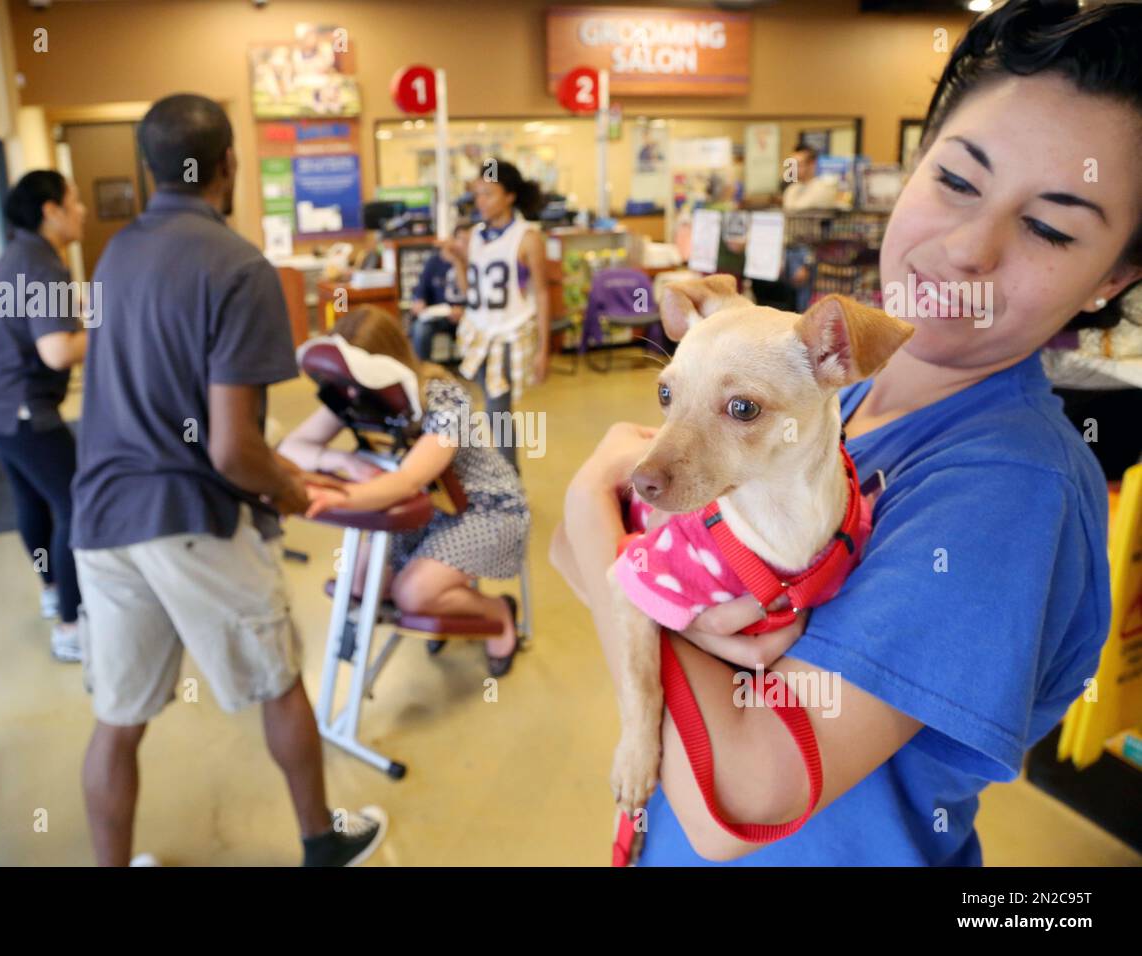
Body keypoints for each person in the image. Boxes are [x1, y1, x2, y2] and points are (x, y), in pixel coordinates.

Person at [551, 0, 1142, 865]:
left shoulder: (1010, 486)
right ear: (912, 166)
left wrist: (591, 524)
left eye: (1051, 226)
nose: (970, 249)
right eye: (956, 180)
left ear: (1113, 278)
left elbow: (741, 799)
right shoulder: (830, 395)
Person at [69, 93, 385, 867]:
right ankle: (320, 843)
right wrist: (292, 489)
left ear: (149, 169)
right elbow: (232, 449)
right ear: (230, 163)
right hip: (190, 515)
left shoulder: (117, 254)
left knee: (118, 718)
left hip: (102, 518)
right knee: (279, 681)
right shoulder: (239, 266)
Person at [280, 306, 530, 676]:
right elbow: (291, 448)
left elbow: (408, 479)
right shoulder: (355, 392)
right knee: (361, 584)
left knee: (414, 595)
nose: (351, 392)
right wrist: (341, 461)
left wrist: (340, 498)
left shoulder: (443, 397)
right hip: (428, 508)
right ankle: (444, 598)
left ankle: (499, 613)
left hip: (488, 509)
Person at [0, 170, 88, 663]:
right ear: (50, 210)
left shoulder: (20, 253)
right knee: (79, 501)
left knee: (32, 498)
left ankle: (55, 590)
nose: (81, 211)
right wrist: (113, 330)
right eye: (73, 201)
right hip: (17, 406)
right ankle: (72, 625)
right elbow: (57, 351)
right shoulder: (40, 263)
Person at [449, 159, 551, 473]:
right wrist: (457, 262)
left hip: (510, 333)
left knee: (498, 411)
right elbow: (471, 293)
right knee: (488, 409)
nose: (481, 201)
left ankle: (510, 482)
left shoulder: (528, 237)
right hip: (479, 330)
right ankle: (501, 477)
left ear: (509, 196)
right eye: (478, 194)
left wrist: (544, 350)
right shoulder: (475, 236)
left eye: (489, 194)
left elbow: (542, 292)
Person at [409, 221, 472, 363]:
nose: (465, 245)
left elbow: (475, 296)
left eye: (469, 241)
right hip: (439, 314)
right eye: (462, 240)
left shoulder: (474, 263)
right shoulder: (434, 262)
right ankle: (423, 371)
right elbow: (421, 290)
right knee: (420, 328)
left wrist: (465, 310)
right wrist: (419, 301)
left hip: (468, 315)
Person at [781, 145, 841, 212]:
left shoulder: (825, 187)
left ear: (812, 165)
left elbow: (800, 209)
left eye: (798, 165)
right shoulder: (792, 188)